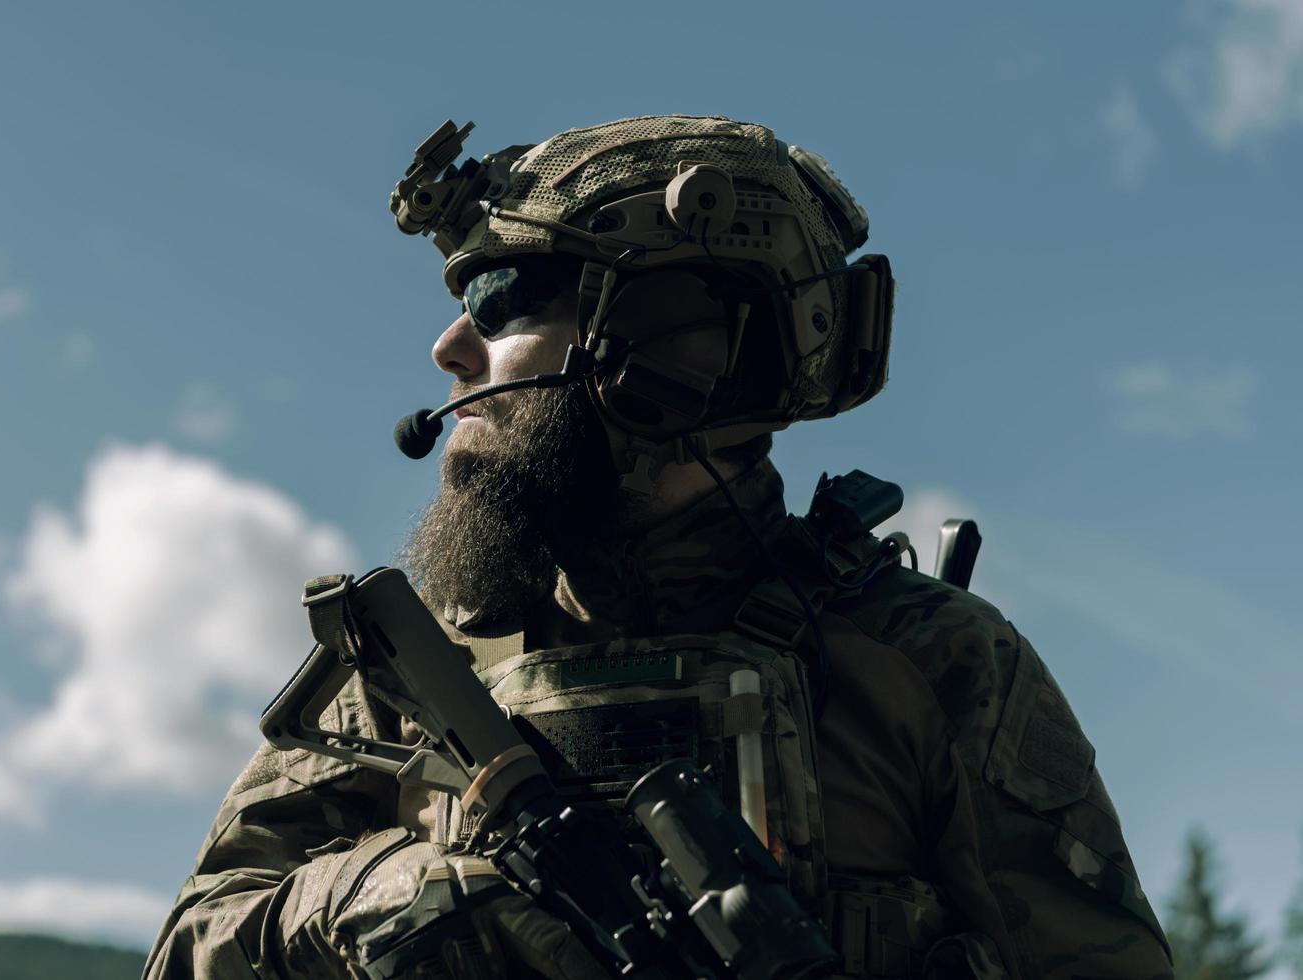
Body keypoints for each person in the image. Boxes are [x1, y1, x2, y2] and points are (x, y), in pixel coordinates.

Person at [143, 115, 1173, 980]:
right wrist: (388, 894)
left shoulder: (933, 660)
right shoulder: (408, 672)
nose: (449, 348)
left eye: (502, 300)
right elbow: (192, 942)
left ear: (665, 339)